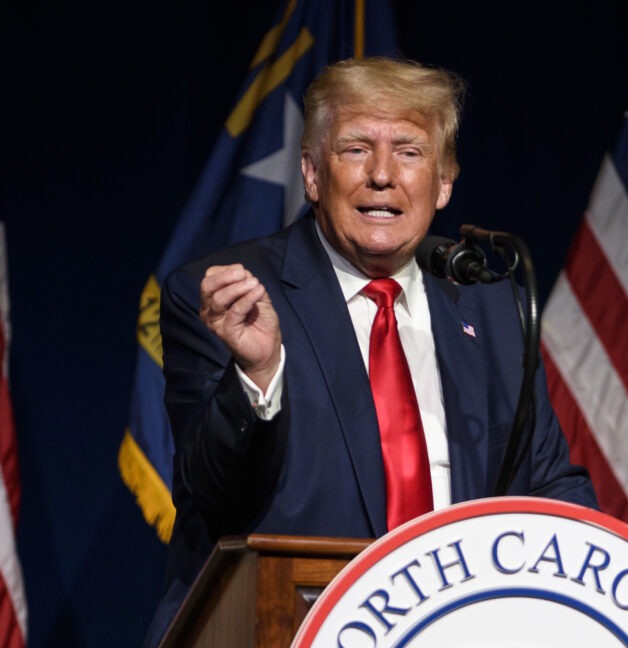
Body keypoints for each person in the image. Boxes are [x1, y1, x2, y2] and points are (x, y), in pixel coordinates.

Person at [144, 57, 597, 645]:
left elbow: (548, 486)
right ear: (311, 173)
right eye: (356, 149)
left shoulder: (493, 307)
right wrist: (259, 374)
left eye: (408, 151)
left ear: (443, 182)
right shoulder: (229, 295)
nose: (382, 175)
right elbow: (218, 499)